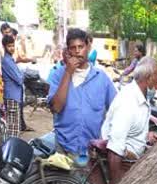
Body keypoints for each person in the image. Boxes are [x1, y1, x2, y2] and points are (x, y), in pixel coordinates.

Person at [48, 28, 117, 160]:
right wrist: (68, 72)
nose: (77, 51)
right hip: (64, 147)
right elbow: (56, 107)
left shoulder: (101, 77)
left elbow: (115, 107)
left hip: (91, 151)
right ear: (68, 51)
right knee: (64, 181)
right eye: (73, 48)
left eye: (81, 46)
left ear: (88, 47)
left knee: (88, 181)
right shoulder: (58, 74)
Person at [101, 57, 157, 184]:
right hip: (123, 166)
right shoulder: (128, 102)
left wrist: (147, 136)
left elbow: (132, 131)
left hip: (133, 161)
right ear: (149, 78)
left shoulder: (140, 97)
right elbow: (115, 148)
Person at [0, 35, 23, 138]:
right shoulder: (7, 61)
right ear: (4, 47)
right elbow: (19, 79)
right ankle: (12, 150)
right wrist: (22, 75)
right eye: (9, 46)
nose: (12, 48)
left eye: (13, 45)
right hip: (12, 96)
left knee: (13, 125)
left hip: (14, 96)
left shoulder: (10, 59)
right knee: (13, 127)